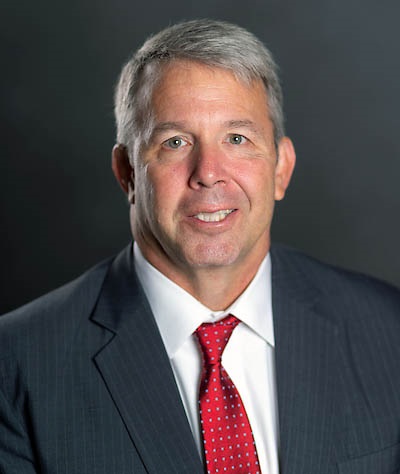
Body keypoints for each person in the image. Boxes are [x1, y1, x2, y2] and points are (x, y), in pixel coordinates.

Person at [0, 19, 399, 474]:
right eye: (174, 142)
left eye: (237, 139)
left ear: (281, 169)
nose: (208, 172)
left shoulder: (388, 332)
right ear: (127, 172)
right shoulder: (16, 366)